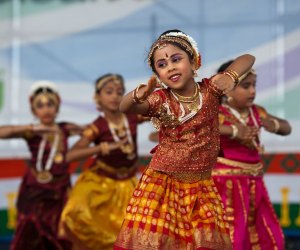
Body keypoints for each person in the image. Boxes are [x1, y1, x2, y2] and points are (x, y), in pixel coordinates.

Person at [113, 29, 255, 250]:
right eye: (161, 65)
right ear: (158, 76)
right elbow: (126, 107)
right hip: (163, 185)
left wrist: (230, 76)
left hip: (201, 187)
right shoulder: (160, 100)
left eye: (176, 59)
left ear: (195, 62)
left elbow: (248, 59)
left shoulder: (211, 90)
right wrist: (136, 97)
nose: (170, 67)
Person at [59, 74, 147, 250]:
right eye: (109, 92)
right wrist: (99, 149)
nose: (115, 96)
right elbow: (70, 155)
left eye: (119, 92)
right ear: (97, 97)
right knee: (77, 214)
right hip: (101, 185)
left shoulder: (131, 117)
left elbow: (158, 112)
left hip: (129, 185)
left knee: (135, 232)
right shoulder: (97, 126)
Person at [212, 60, 291, 250]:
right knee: (232, 239)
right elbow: (199, 129)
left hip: (254, 185)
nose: (252, 91)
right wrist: (231, 130)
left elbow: (286, 128)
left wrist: (275, 125)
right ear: (227, 90)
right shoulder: (216, 113)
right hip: (226, 187)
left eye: (254, 85)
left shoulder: (257, 112)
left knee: (270, 237)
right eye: (246, 86)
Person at [0, 81, 82, 250]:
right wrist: (33, 128)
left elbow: (93, 131)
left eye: (50, 104)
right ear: (34, 110)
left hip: (59, 191)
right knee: (31, 230)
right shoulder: (32, 131)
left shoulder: (65, 128)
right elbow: (2, 132)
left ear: (57, 106)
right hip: (35, 191)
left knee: (59, 234)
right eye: (40, 105)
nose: (46, 109)